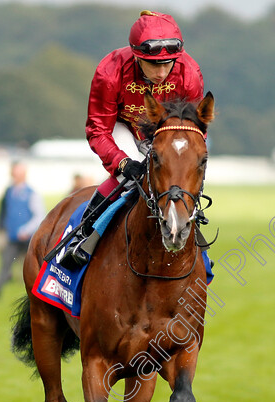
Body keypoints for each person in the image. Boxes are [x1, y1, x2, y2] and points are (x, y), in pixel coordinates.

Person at [59, 10, 204, 268]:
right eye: (154, 64)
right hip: (121, 127)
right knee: (130, 180)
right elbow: (97, 130)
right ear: (137, 56)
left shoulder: (189, 72)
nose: (161, 72)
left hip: (164, 132)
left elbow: (193, 128)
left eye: (168, 63)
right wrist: (122, 163)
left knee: (179, 180)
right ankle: (83, 235)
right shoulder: (110, 70)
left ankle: (199, 250)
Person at [0, 161, 45, 300]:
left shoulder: (32, 193)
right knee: (5, 265)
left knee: (33, 270)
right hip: (13, 237)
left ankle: (40, 298)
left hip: (28, 239)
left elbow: (39, 216)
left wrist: (26, 230)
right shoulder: (10, 192)